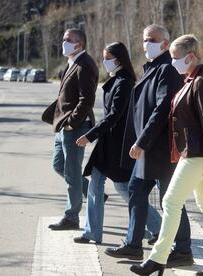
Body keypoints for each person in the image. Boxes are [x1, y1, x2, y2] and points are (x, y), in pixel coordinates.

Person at [130, 34, 203, 276]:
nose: (172, 62)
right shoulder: (190, 80)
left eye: (176, 57)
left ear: (191, 56)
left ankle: (157, 258)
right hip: (193, 152)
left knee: (170, 202)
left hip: (197, 154)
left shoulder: (202, 82)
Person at [105, 24, 193, 267]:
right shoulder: (152, 68)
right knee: (136, 191)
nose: (146, 43)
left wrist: (142, 141)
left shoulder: (167, 69)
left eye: (151, 39)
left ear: (165, 43)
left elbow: (162, 109)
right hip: (147, 148)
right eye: (144, 39)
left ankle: (183, 249)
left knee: (170, 200)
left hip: (161, 149)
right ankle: (134, 245)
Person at [73, 42, 160, 244]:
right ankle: (92, 232)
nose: (105, 62)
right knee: (95, 185)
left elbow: (114, 115)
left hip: (118, 146)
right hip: (107, 144)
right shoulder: (117, 80)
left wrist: (90, 135)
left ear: (118, 59)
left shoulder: (125, 82)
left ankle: (159, 227)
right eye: (104, 57)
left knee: (124, 188)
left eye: (108, 58)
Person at [43, 28, 99, 231]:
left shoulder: (85, 64)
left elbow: (87, 100)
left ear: (79, 44)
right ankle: (96, 194)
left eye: (68, 39)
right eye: (63, 38)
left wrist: (72, 123)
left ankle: (71, 217)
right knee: (59, 166)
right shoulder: (72, 63)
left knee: (72, 172)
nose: (63, 42)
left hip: (74, 127)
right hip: (62, 126)